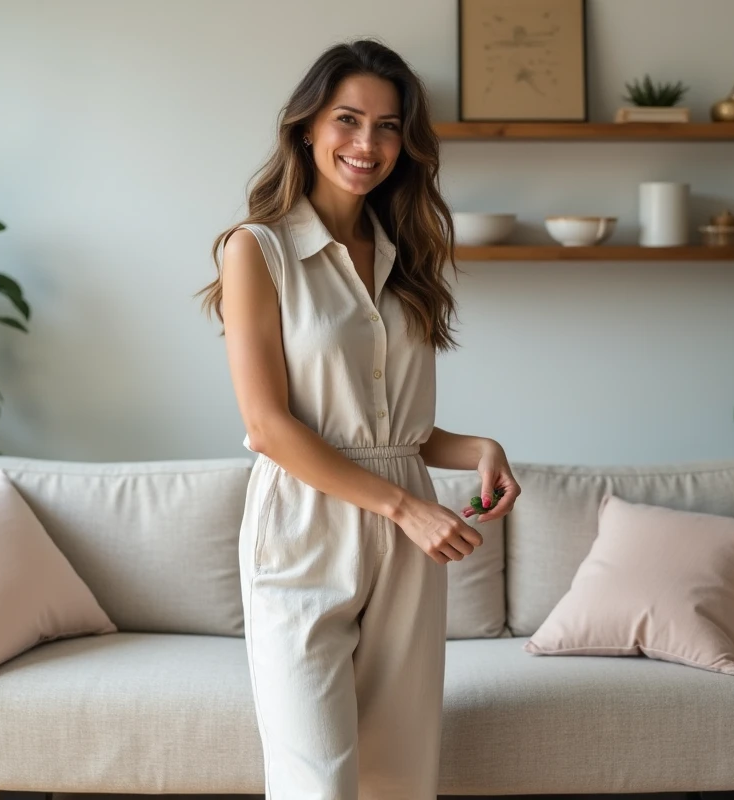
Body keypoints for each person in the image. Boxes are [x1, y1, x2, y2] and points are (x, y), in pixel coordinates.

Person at [196, 38, 521, 800]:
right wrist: (406, 508)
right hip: (305, 527)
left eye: (388, 126)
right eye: (347, 119)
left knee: (397, 778)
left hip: (406, 540)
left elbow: (394, 430)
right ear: (308, 126)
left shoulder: (405, 255)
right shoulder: (257, 251)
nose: (366, 144)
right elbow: (269, 425)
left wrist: (479, 448)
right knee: (317, 783)